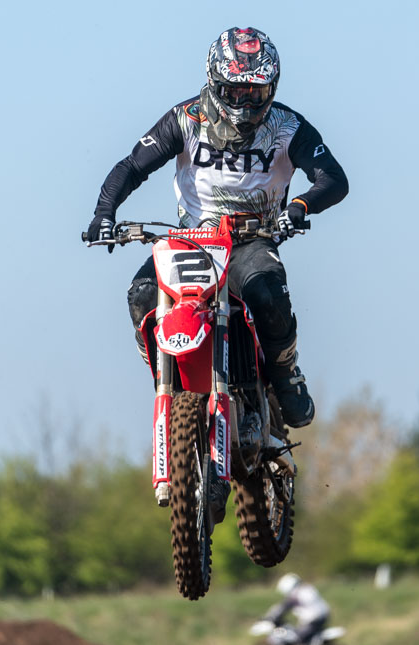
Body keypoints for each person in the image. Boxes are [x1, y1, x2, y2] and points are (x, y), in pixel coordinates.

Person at [85, 27, 348, 433]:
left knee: (267, 293)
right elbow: (132, 166)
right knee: (141, 295)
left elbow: (333, 178)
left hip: (253, 240)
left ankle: (286, 374)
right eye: (235, 92)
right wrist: (104, 214)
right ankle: (165, 375)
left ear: (272, 88)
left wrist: (300, 207)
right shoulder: (185, 119)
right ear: (214, 83)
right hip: (192, 240)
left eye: (256, 93)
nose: (245, 104)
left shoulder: (288, 127)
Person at [262, 573, 331, 645]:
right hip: (323, 616)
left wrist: (271, 616)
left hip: (312, 620)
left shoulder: (296, 594)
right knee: (304, 636)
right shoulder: (308, 588)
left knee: (297, 637)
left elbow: (283, 607)